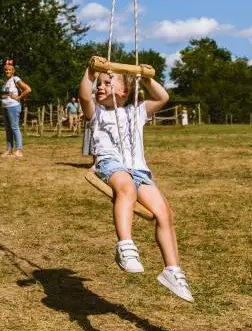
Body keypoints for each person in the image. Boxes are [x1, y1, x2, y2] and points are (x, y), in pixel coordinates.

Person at [78, 61, 194, 302]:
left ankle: (172, 270)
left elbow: (162, 97)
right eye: (98, 83)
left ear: (125, 91)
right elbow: (84, 96)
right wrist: (90, 72)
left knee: (165, 213)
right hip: (110, 164)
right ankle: (125, 245)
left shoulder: (137, 111)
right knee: (126, 188)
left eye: (107, 83)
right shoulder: (96, 113)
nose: (100, 87)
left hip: (139, 170)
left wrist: (147, 78)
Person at [0, 60, 31, 157]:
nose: (7, 71)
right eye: (6, 70)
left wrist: (19, 97)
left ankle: (19, 150)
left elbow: (28, 89)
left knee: (14, 128)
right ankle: (9, 149)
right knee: (8, 129)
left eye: (9, 70)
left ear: (13, 71)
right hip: (5, 107)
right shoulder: (5, 81)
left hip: (13, 106)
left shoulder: (15, 79)